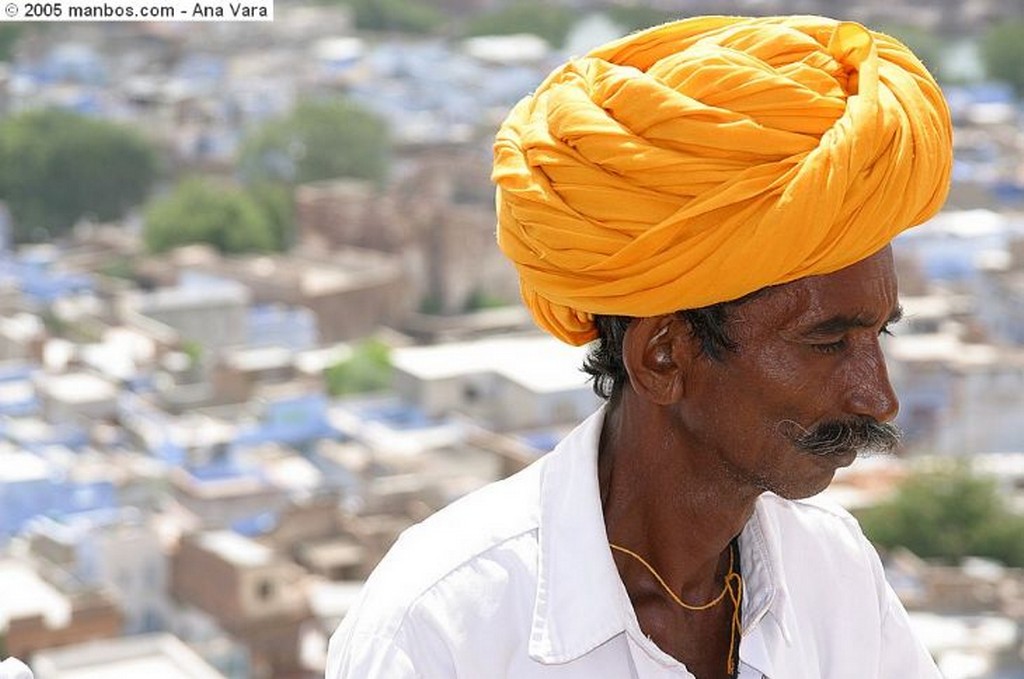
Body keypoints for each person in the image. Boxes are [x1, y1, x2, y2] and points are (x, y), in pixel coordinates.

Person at [327, 15, 951, 679]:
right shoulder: (443, 629)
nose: (878, 397)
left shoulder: (834, 577)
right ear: (664, 356)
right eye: (827, 341)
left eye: (878, 333)